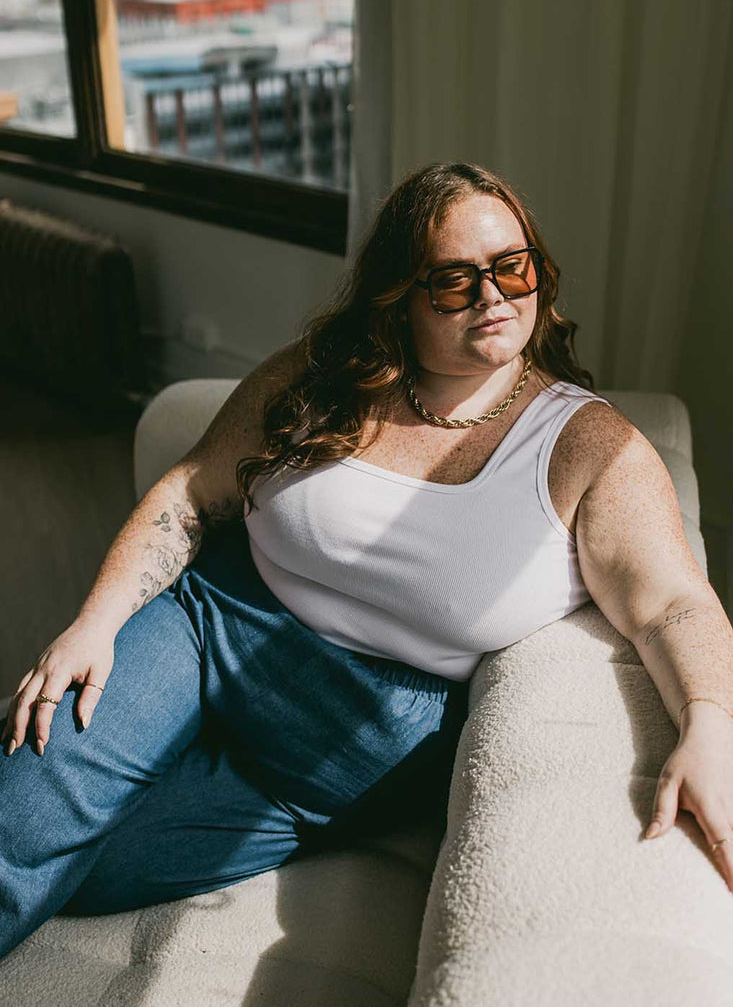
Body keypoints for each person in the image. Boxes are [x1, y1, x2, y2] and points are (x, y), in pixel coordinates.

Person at [2, 162, 733, 959]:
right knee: (25, 823)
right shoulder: (320, 374)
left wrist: (711, 726)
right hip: (210, 624)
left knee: (89, 872)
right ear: (398, 297)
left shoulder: (591, 447)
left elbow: (673, 606)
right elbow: (191, 491)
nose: (492, 297)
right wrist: (96, 622)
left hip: (358, 738)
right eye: (452, 281)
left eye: (511, 267)